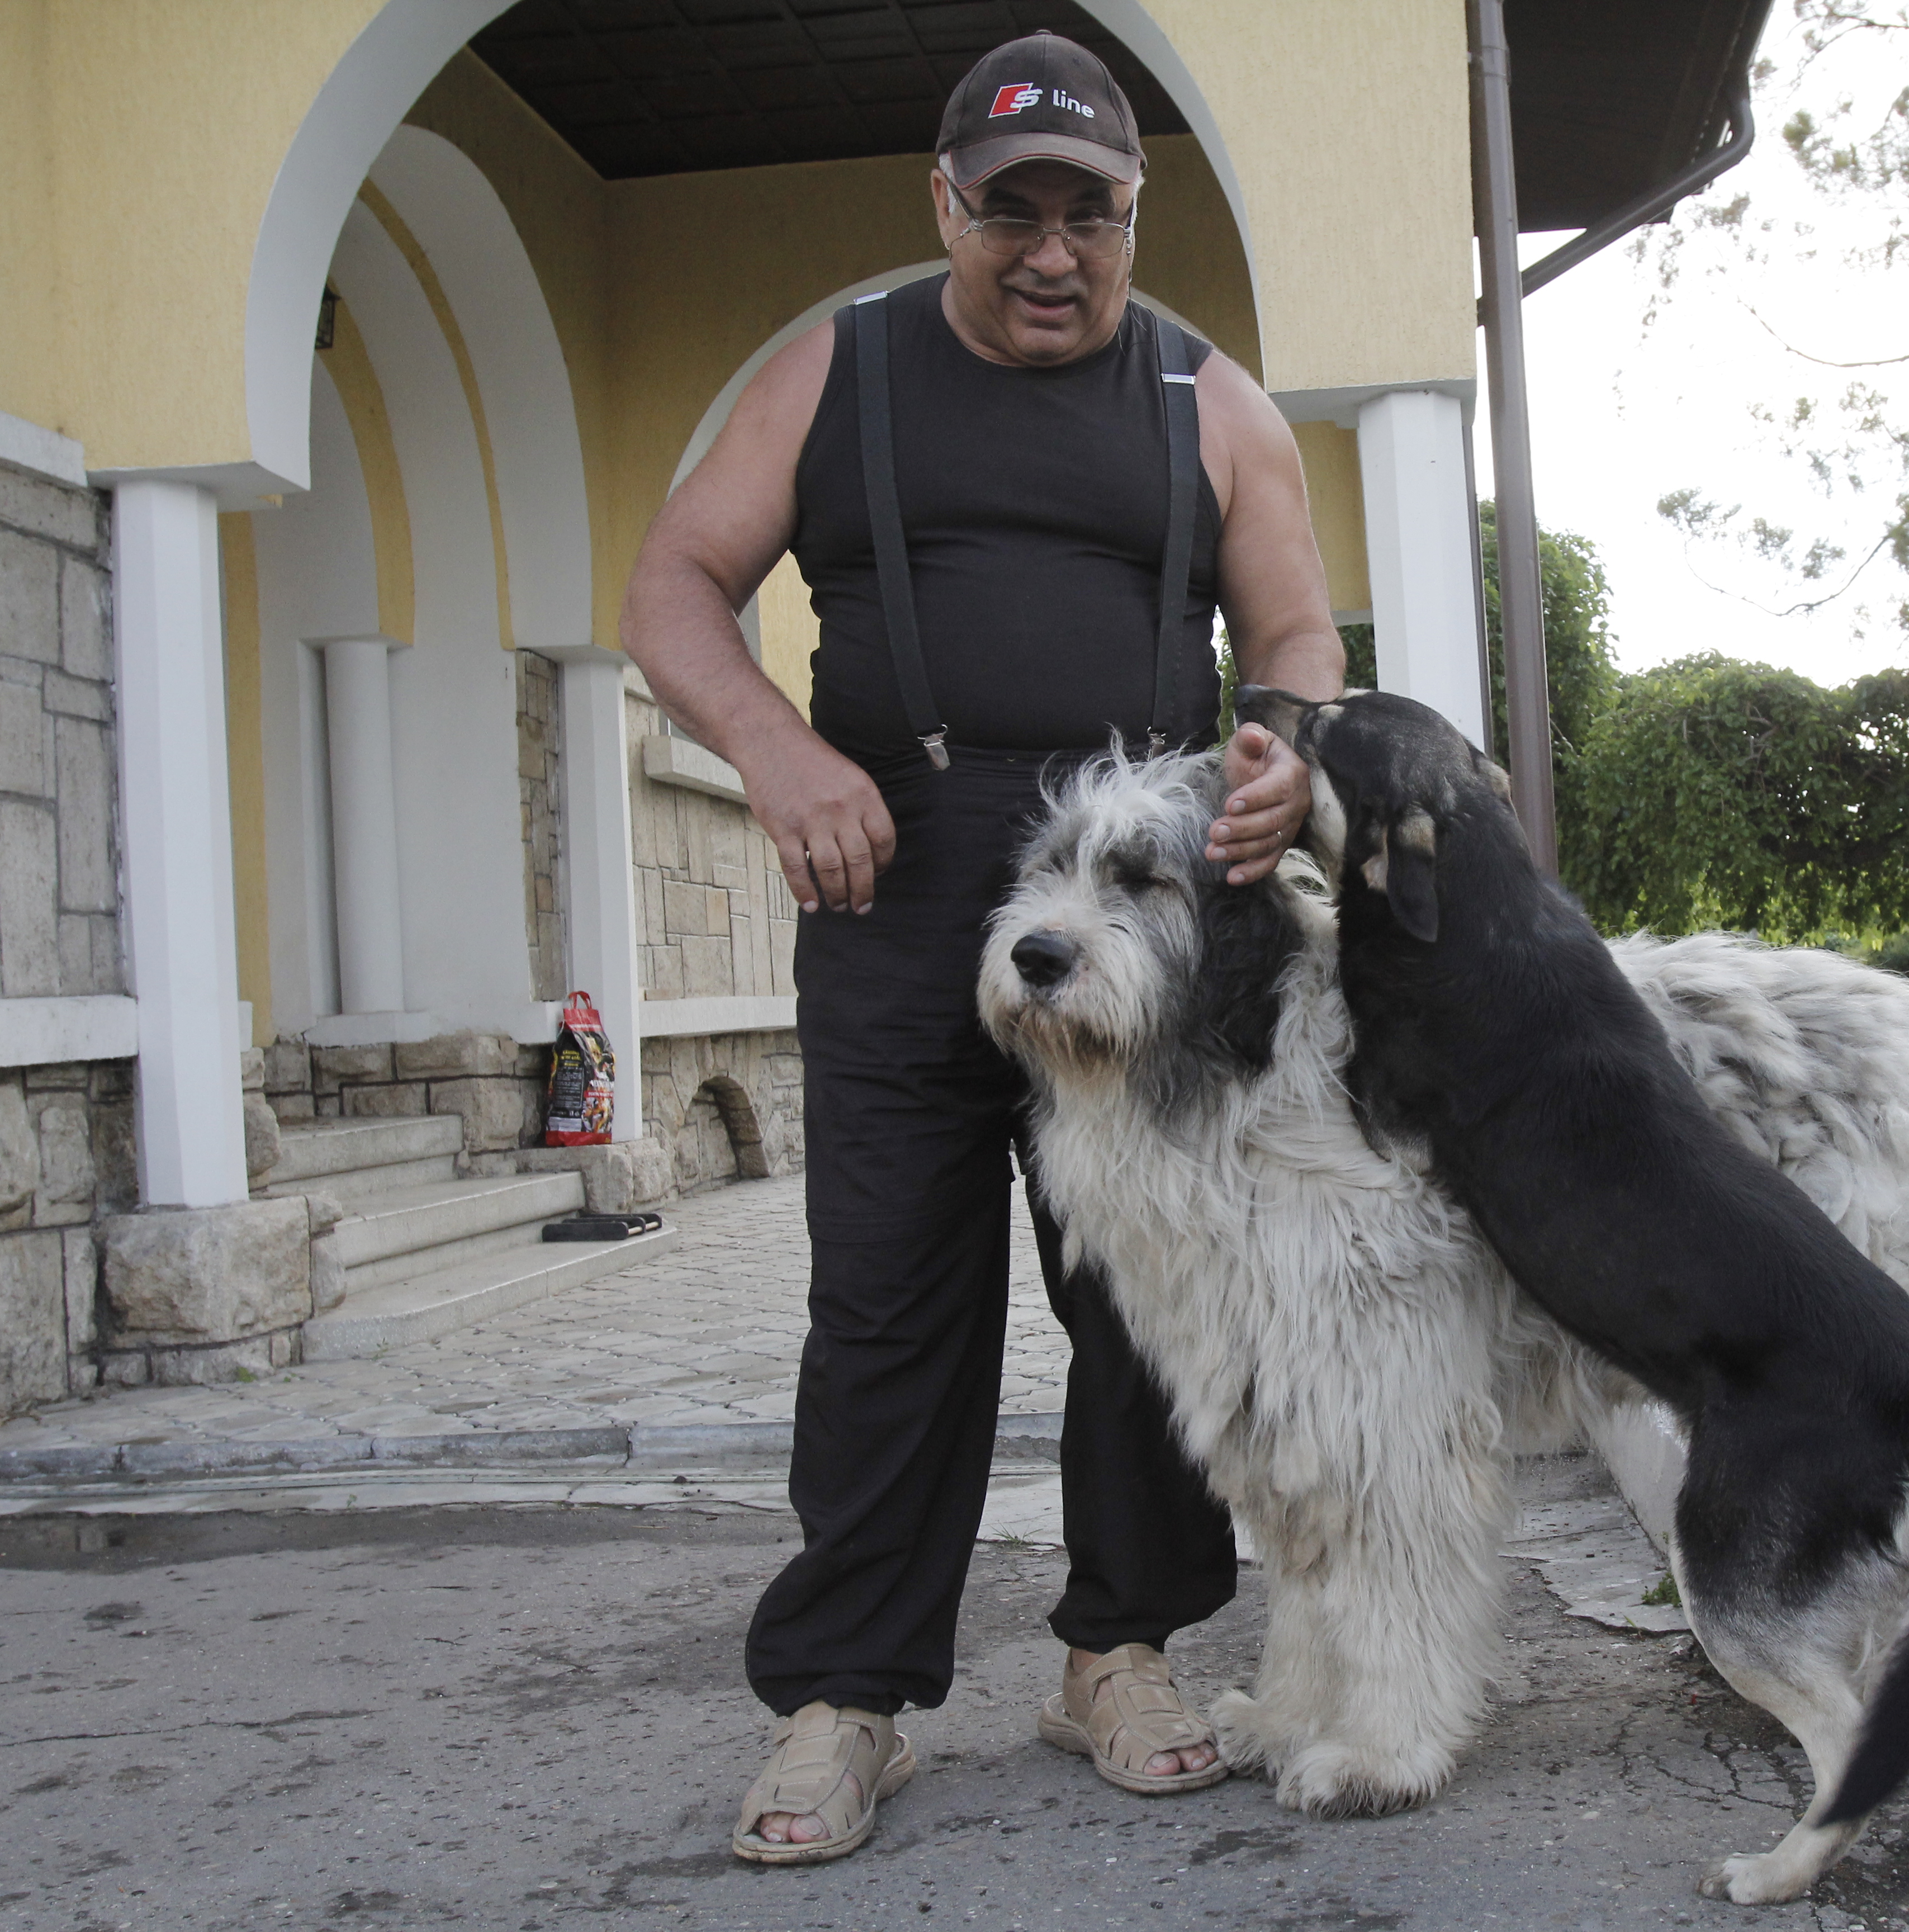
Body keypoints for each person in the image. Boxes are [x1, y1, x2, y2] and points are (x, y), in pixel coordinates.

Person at [619, 30, 1346, 1866]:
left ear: (1130, 212)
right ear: (944, 204)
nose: (1050, 251)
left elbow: (1298, 636)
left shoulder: (1208, 399)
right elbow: (671, 584)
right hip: (900, 878)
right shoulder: (833, 370)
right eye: (1008, 209)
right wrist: (778, 752)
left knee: (1145, 1299)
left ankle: (1120, 1652)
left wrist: (1280, 752)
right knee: (888, 1309)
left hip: (1145, 904)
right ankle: (847, 1696)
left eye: (1086, 212)